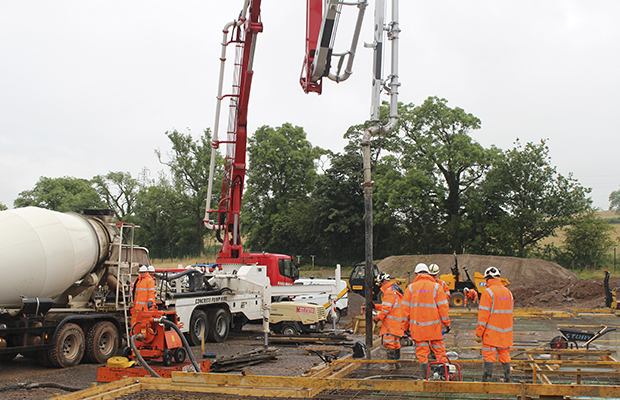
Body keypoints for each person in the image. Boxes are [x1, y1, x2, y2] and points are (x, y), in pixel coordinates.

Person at [402, 263, 451, 377]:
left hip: (418, 329)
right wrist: (447, 324)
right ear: (428, 273)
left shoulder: (410, 288)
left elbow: (404, 311)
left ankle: (426, 376)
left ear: (416, 274)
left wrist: (404, 328)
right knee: (439, 349)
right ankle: (442, 374)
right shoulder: (436, 287)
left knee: (422, 352)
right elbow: (443, 308)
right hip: (434, 328)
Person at [475, 266, 514, 382]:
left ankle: (486, 380)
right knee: (505, 355)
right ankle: (508, 378)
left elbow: (483, 316)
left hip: (490, 334)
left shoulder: (488, 293)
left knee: (489, 356)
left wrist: (479, 333)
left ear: (487, 278)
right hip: (505, 333)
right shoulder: (508, 293)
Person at [373, 272, 405, 370]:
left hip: (390, 323)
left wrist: (378, 318)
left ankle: (391, 365)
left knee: (389, 342)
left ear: (383, 281)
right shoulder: (395, 290)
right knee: (396, 342)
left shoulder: (389, 291)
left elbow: (387, 308)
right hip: (397, 321)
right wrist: (376, 306)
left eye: (380, 284)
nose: (380, 286)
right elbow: (388, 305)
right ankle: (397, 363)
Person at [131, 264, 157, 329]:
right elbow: (137, 290)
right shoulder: (139, 280)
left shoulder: (149, 280)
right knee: (135, 321)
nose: (142, 274)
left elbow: (151, 292)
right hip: (137, 306)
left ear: (146, 272)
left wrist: (150, 302)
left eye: (143, 272)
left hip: (144, 307)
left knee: (144, 323)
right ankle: (134, 333)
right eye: (141, 272)